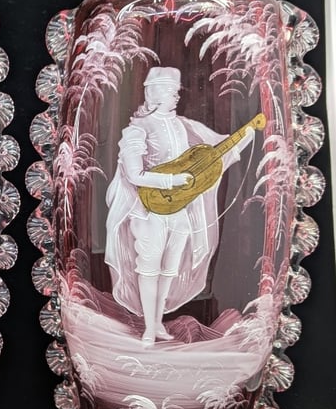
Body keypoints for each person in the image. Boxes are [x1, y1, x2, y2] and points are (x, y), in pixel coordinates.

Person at [104, 67, 254, 345]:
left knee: (169, 268)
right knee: (149, 267)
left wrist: (246, 135)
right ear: (156, 93)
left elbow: (215, 152)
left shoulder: (184, 126)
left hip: (179, 209)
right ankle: (149, 328)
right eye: (171, 92)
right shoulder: (137, 129)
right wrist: (171, 180)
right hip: (148, 210)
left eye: (176, 92)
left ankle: (158, 322)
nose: (177, 97)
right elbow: (134, 174)